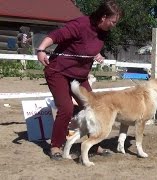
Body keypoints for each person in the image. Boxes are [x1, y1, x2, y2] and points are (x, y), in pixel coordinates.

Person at [36, 0, 123, 160]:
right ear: (103, 17)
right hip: (58, 72)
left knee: (95, 107)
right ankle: (55, 146)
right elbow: (56, 35)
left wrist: (96, 55)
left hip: (79, 76)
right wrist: (41, 49)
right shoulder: (81, 24)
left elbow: (88, 48)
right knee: (67, 108)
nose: (114, 25)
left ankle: (94, 144)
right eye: (113, 21)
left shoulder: (103, 32)